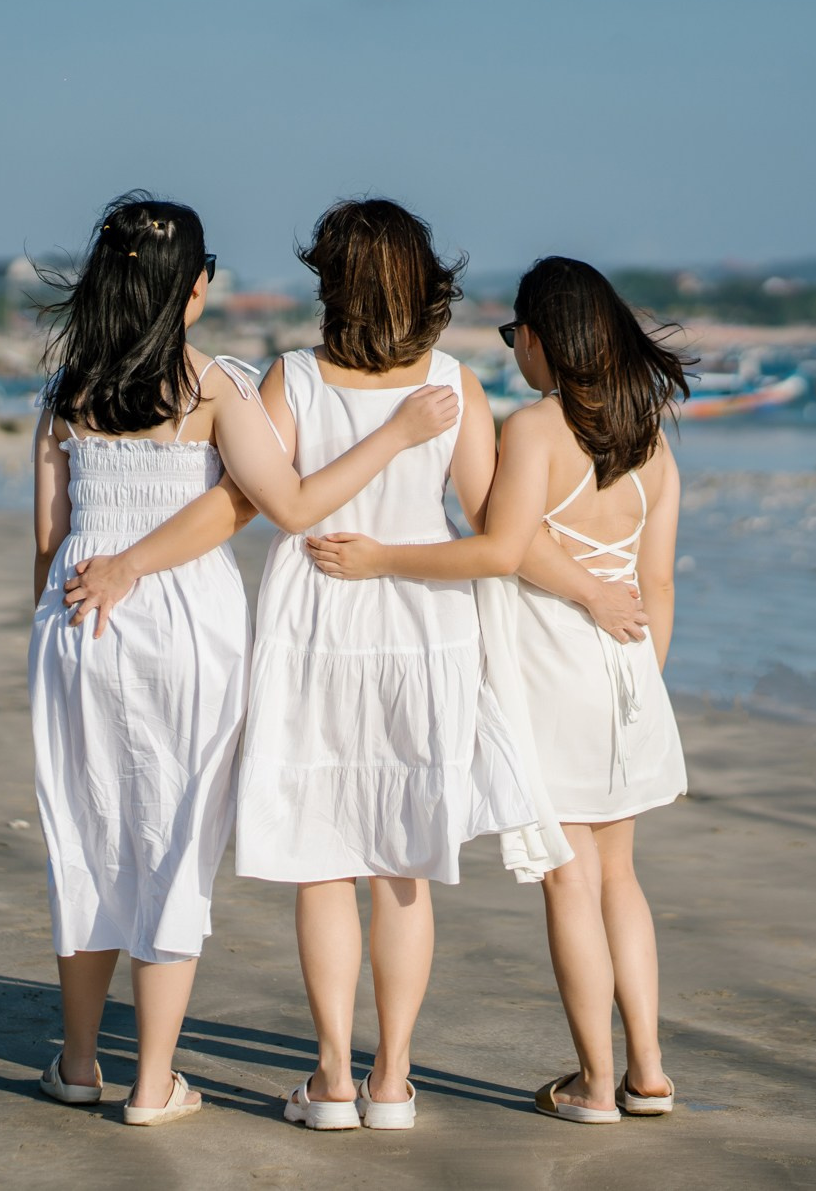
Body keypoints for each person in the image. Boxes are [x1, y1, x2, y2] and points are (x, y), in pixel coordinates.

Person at [67, 201, 637, 1133]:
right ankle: (391, 1081)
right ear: (425, 285)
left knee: (325, 865)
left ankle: (332, 1078)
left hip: (314, 623)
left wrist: (136, 561)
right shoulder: (455, 385)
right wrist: (594, 586)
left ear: (332, 284)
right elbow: (503, 531)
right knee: (404, 865)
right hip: (425, 630)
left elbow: (246, 506)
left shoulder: (288, 381)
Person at [27, 192, 458, 1128]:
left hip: (74, 616)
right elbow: (289, 507)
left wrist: (78, 609)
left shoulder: (65, 394)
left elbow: (47, 543)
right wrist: (396, 435)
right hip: (186, 625)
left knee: (86, 830)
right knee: (173, 838)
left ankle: (75, 1060)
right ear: (194, 289)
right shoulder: (213, 384)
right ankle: (152, 1083)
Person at [307, 255, 690, 1124]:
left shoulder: (536, 428)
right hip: (628, 676)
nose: (513, 348)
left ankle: (595, 1084)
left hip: (549, 673)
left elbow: (498, 549)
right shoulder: (652, 439)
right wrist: (637, 682)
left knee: (568, 879)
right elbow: (658, 585)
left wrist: (382, 558)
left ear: (545, 338)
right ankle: (651, 1071)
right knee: (620, 877)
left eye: (515, 333)